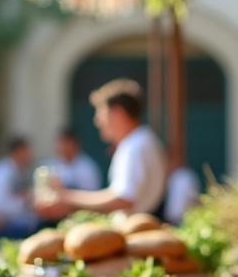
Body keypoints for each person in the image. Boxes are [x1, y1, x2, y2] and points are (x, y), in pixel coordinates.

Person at [40, 79, 166, 215]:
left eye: (101, 113)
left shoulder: (135, 146)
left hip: (138, 227)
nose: (97, 121)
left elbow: (123, 199)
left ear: (117, 113)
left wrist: (66, 197)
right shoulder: (141, 141)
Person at [0, 136, 39, 240]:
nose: (31, 155)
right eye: (28, 151)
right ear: (19, 151)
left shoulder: (17, 170)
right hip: (6, 229)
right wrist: (26, 200)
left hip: (13, 226)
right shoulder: (3, 172)